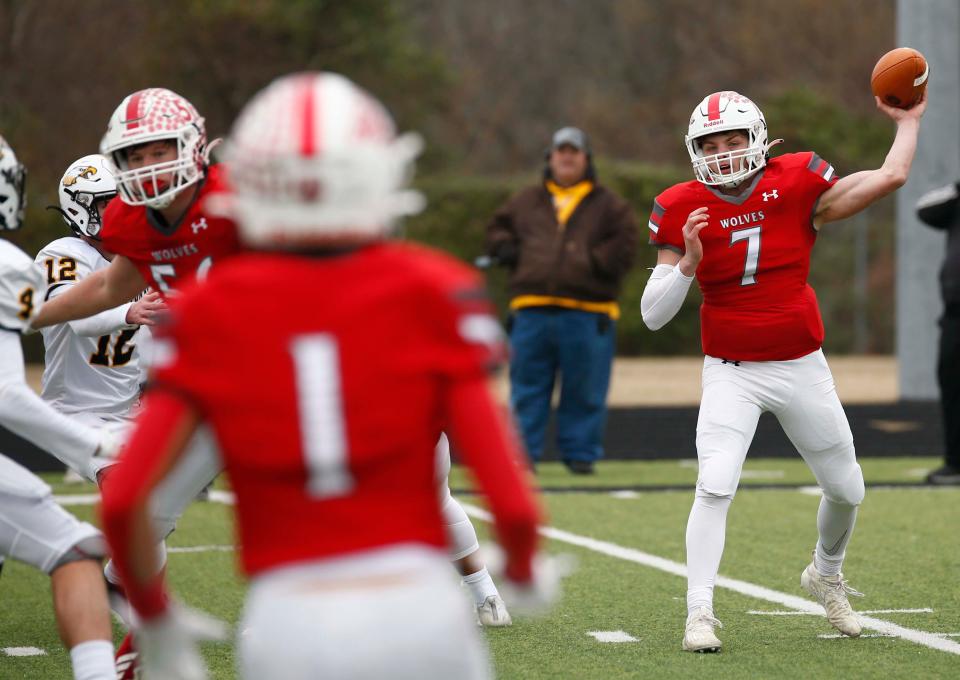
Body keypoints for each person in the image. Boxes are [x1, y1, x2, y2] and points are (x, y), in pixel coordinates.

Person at [100, 72, 549, 680]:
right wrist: (520, 568)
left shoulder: (210, 308)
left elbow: (126, 498)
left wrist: (152, 614)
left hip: (290, 612)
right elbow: (512, 499)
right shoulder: (435, 287)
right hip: (418, 605)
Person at [641, 90, 926, 652]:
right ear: (694, 150)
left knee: (847, 488)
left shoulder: (796, 181)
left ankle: (825, 572)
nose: (722, 153)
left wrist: (909, 122)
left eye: (733, 140)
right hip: (732, 371)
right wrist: (690, 265)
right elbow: (652, 315)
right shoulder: (679, 205)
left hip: (800, 364)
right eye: (710, 144)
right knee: (715, 483)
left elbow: (891, 176)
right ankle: (699, 614)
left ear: (757, 139)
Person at [0, 135, 116, 680]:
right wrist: (90, 444)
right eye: (108, 204)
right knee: (76, 550)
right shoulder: (32, 262)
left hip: (117, 409)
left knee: (76, 550)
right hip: (81, 414)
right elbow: (9, 389)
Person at [485, 127, 637, 473]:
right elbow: (496, 230)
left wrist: (588, 260)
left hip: (588, 313)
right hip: (531, 311)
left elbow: (625, 248)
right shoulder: (525, 200)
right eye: (560, 151)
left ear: (586, 159)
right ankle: (521, 457)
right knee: (526, 387)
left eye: (574, 152)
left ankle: (581, 457)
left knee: (585, 389)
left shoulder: (610, 206)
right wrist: (508, 250)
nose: (567, 157)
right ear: (550, 158)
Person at [37, 154, 163, 481]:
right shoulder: (62, 255)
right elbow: (77, 317)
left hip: (132, 411)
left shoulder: (139, 255)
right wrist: (129, 311)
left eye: (128, 201)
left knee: (152, 515)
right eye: (111, 202)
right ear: (81, 206)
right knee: (125, 486)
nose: (124, 211)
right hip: (77, 413)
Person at [916, 181, 960, 485]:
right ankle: (955, 464)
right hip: (955, 316)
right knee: (954, 389)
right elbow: (925, 209)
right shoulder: (955, 201)